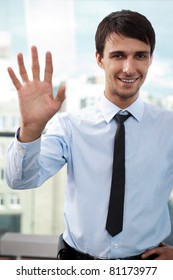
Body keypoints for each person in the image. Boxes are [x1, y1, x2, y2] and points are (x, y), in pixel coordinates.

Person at [5, 9, 173, 260]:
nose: (129, 68)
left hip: (149, 266)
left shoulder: (168, 127)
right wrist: (31, 129)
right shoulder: (70, 127)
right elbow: (20, 180)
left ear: (150, 59)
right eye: (118, 55)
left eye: (140, 55)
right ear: (99, 59)